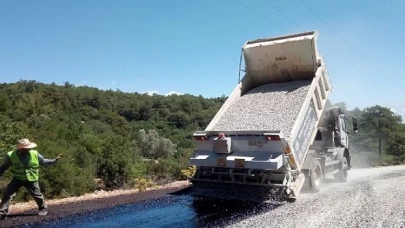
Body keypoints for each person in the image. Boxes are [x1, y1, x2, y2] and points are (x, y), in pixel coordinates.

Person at [0, 139, 62, 219]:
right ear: (20, 148)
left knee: (37, 195)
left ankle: (43, 208)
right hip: (17, 178)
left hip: (31, 178)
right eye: (27, 148)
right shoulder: (10, 155)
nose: (29, 149)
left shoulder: (34, 153)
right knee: (8, 194)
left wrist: (54, 161)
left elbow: (43, 161)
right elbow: (4, 166)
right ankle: (2, 213)